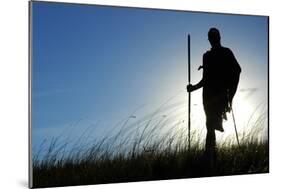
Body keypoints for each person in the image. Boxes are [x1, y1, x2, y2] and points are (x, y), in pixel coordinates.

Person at [187, 28, 241, 161]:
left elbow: (237, 70)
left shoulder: (226, 52)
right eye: (210, 36)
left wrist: (230, 96)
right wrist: (193, 87)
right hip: (207, 97)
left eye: (214, 36)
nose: (212, 38)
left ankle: (209, 157)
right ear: (209, 39)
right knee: (209, 125)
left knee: (210, 125)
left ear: (219, 37)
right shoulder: (206, 56)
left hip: (220, 95)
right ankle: (212, 156)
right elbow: (205, 79)